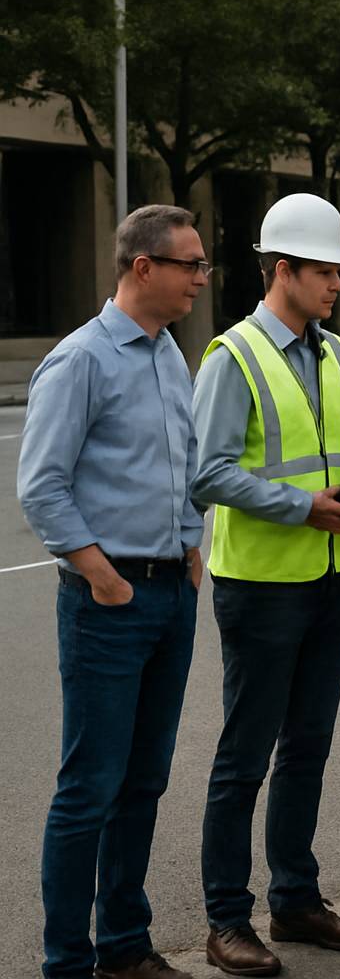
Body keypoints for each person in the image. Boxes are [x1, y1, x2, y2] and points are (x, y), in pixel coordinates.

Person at [18, 205, 208, 979]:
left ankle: (125, 947)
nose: (201, 276)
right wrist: (102, 575)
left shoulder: (169, 353)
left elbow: (183, 465)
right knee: (89, 787)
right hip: (111, 602)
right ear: (142, 268)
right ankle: (68, 960)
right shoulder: (81, 360)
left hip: (172, 595)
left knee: (144, 780)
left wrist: (192, 545)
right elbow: (42, 488)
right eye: (189, 263)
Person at [190, 193, 340, 976]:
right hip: (262, 587)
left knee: (308, 749)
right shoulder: (231, 356)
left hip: (332, 580)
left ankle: (295, 901)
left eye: (338, 271)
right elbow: (208, 473)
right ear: (283, 270)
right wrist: (304, 508)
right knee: (245, 758)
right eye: (325, 271)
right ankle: (228, 920)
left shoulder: (333, 353)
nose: (336, 283)